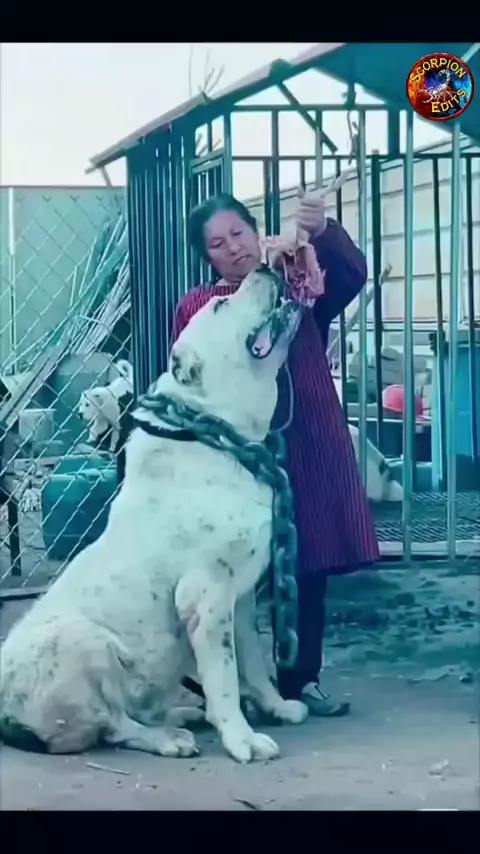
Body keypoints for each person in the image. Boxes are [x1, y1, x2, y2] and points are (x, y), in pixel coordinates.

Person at [171, 192, 380, 717]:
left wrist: (323, 232)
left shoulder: (297, 283)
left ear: (254, 231)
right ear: (206, 256)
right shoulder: (199, 308)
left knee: (305, 562)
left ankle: (300, 679)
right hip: (236, 452)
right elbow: (189, 380)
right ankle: (231, 682)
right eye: (217, 244)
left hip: (304, 437)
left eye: (238, 234)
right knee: (232, 570)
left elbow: (351, 276)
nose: (233, 248)